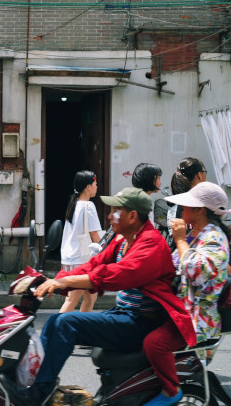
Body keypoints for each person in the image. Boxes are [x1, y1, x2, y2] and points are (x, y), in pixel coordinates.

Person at [18, 188, 196, 405]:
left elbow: (117, 275)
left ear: (132, 216)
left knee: (66, 323)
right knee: (55, 321)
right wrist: (54, 280)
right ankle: (35, 384)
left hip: (141, 323)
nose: (110, 216)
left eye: (116, 211)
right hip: (125, 315)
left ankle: (39, 393)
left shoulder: (151, 244)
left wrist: (65, 282)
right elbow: (95, 264)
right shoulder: (123, 240)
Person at [142, 182, 230, 405]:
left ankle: (171, 392)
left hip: (198, 318)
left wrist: (180, 239)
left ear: (200, 210)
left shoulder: (215, 239)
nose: (181, 209)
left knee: (155, 344)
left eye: (187, 205)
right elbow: (172, 267)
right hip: (177, 309)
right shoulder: (193, 233)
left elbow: (195, 271)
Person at [58, 171, 102, 313]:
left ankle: (82, 329)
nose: (97, 187)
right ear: (88, 187)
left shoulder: (74, 205)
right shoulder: (88, 206)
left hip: (70, 257)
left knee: (90, 298)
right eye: (95, 184)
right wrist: (106, 250)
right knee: (72, 300)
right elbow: (94, 234)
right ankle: (55, 329)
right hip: (81, 260)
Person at [99, 163, 162, 249]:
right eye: (158, 178)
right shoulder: (141, 204)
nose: (110, 216)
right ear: (149, 180)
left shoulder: (135, 199)